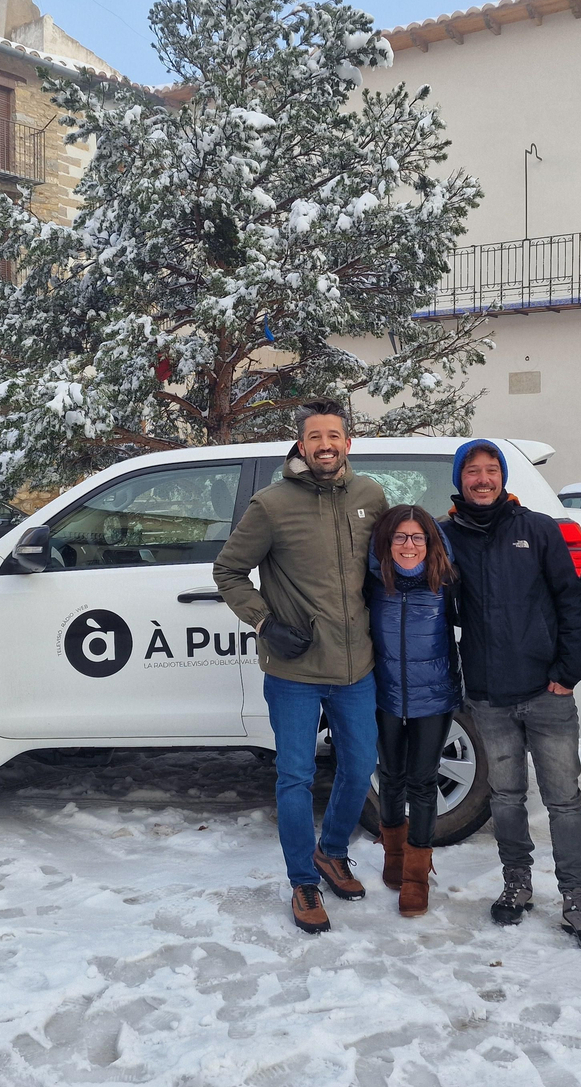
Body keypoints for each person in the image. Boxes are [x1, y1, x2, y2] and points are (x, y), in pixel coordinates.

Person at [213, 400, 388, 934]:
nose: (325, 445)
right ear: (301, 445)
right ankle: (302, 881)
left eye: (334, 436)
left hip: (357, 666)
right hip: (294, 670)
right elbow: (229, 571)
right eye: (315, 437)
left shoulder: (370, 496)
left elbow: (389, 566)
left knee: (360, 767)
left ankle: (331, 852)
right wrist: (264, 622)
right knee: (295, 776)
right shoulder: (271, 505)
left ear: (347, 443)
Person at [444, 439, 581, 953]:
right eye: (472, 471)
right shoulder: (446, 536)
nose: (483, 479)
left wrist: (568, 671)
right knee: (506, 797)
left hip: (546, 691)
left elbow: (572, 601)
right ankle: (516, 882)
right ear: (459, 480)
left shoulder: (537, 529)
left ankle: (578, 897)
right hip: (488, 695)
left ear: (502, 477)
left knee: (564, 801)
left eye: (491, 470)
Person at [366, 504, 460, 918]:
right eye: (400, 537)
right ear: (387, 543)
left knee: (422, 782)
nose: (409, 545)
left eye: (417, 537)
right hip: (385, 694)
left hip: (433, 696)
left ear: (430, 541)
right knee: (390, 777)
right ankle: (394, 856)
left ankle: (417, 875)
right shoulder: (372, 581)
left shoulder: (446, 580)